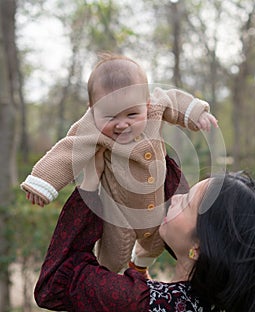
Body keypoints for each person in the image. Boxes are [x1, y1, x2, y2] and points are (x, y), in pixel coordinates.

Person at [21, 53, 218, 275]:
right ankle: (108, 282)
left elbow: (173, 100)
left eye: (132, 114)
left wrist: (196, 113)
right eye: (111, 117)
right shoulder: (92, 128)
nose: (122, 124)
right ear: (93, 109)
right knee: (113, 256)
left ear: (147, 103)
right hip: (119, 211)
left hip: (157, 202)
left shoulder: (155, 108)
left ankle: (139, 265)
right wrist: (42, 182)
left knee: (156, 245)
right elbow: (69, 150)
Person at [34, 150, 255, 312]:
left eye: (187, 202)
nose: (176, 198)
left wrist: (90, 185)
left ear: (199, 249)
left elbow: (56, 285)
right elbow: (174, 195)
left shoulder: (146, 303)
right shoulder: (216, 300)